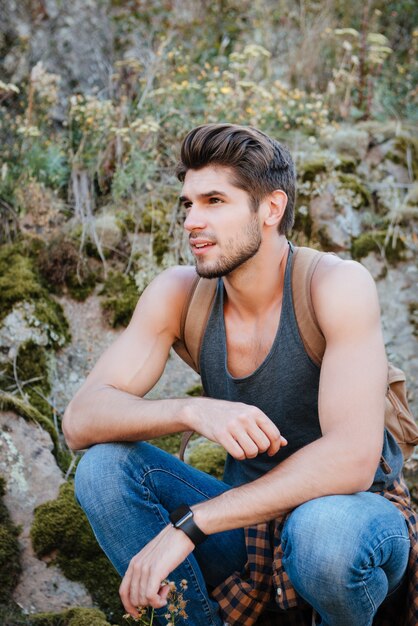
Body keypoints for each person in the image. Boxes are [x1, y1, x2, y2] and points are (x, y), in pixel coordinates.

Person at [64, 123, 415, 626]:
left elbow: (353, 460)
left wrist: (191, 525)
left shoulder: (336, 285)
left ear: (271, 209)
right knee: (104, 469)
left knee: (323, 533)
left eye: (214, 201)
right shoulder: (178, 293)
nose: (191, 220)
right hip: (246, 531)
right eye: (187, 203)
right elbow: (80, 419)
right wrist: (192, 409)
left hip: (354, 516)